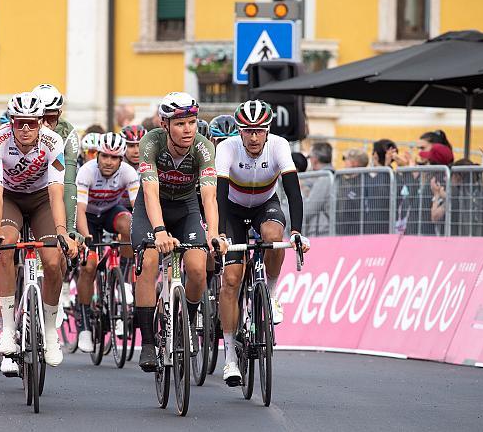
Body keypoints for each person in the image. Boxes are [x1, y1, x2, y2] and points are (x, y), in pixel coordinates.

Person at [130, 91, 227, 372]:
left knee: (198, 268)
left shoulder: (204, 147)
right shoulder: (151, 143)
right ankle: (148, 343)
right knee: (148, 262)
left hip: (186, 207)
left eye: (192, 123)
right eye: (180, 124)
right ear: (165, 125)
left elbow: (209, 196)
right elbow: (149, 191)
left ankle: (187, 323)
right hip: (152, 207)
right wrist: (159, 231)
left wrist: (214, 234)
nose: (188, 130)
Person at [216, 99, 309, 386]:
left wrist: (296, 231)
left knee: (272, 237)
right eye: (247, 131)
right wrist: (219, 235)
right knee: (231, 280)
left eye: (259, 131)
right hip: (231, 209)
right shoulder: (226, 148)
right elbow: (219, 196)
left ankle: (270, 293)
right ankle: (230, 357)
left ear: (267, 130)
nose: (254, 137)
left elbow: (293, 192)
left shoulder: (279, 145)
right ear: (239, 131)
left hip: (264, 205)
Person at [0, 92, 77, 375]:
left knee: (52, 261)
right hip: (10, 198)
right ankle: (9, 329)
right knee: (6, 247)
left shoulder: (53, 142)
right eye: (20, 123)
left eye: (32, 123)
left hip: (40, 200)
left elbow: (56, 192)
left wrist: (62, 231)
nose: (25, 129)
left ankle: (50, 331)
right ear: (11, 122)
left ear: (40, 123)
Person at [75, 132, 139, 352]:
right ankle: (84, 325)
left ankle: (125, 279)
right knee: (89, 266)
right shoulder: (86, 171)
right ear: (98, 156)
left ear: (121, 160)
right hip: (88, 217)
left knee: (130, 224)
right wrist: (85, 239)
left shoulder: (129, 173)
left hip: (111, 211)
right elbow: (80, 210)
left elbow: (137, 207)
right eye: (104, 156)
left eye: (114, 158)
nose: (108, 162)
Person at [32, 84, 80, 237]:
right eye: (41, 118)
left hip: (51, 192)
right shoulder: (22, 129)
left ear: (60, 114)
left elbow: (68, 183)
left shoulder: (68, 133)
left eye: (51, 118)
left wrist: (70, 228)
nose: (46, 124)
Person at [303, 142, 334, 236]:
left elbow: (309, 209)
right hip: (324, 230)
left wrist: (303, 191)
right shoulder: (330, 176)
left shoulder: (324, 179)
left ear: (315, 159)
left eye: (310, 157)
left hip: (321, 233)